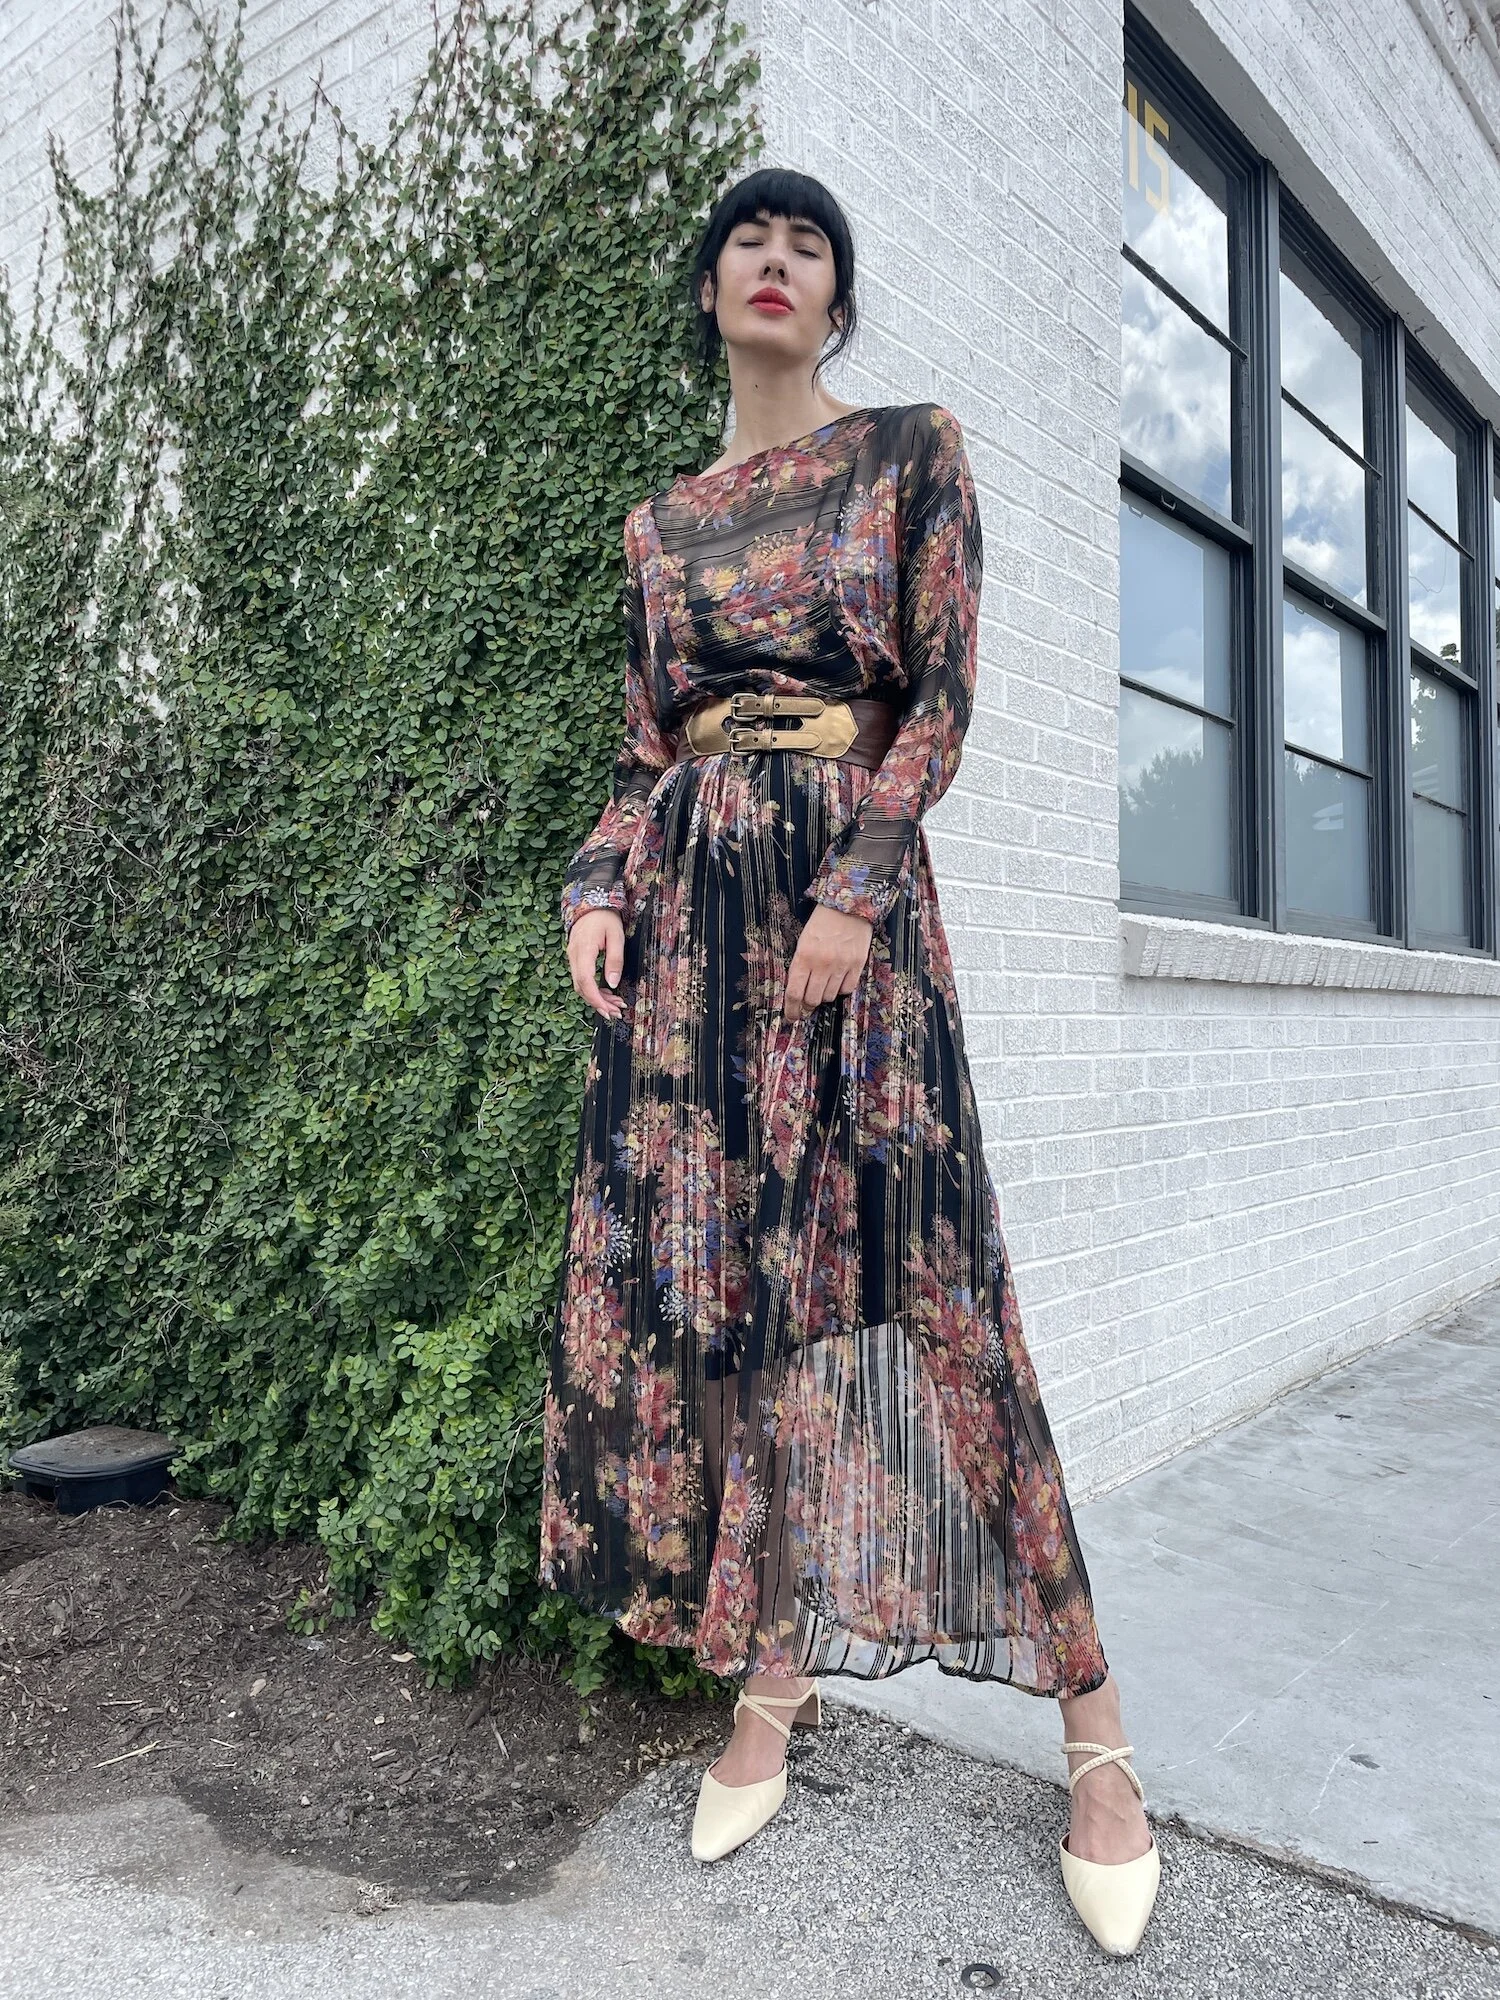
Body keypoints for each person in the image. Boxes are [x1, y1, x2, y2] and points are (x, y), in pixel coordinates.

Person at [538, 165, 1159, 1955]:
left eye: (808, 244)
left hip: (844, 918)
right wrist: (596, 886)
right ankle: (773, 1679)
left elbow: (939, 698)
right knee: (737, 1297)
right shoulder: (661, 528)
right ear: (711, 288)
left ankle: (1098, 1732)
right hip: (691, 939)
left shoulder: (908, 454)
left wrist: (860, 889)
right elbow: (646, 751)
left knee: (934, 1288)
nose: (777, 260)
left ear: (838, 295)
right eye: (750, 238)